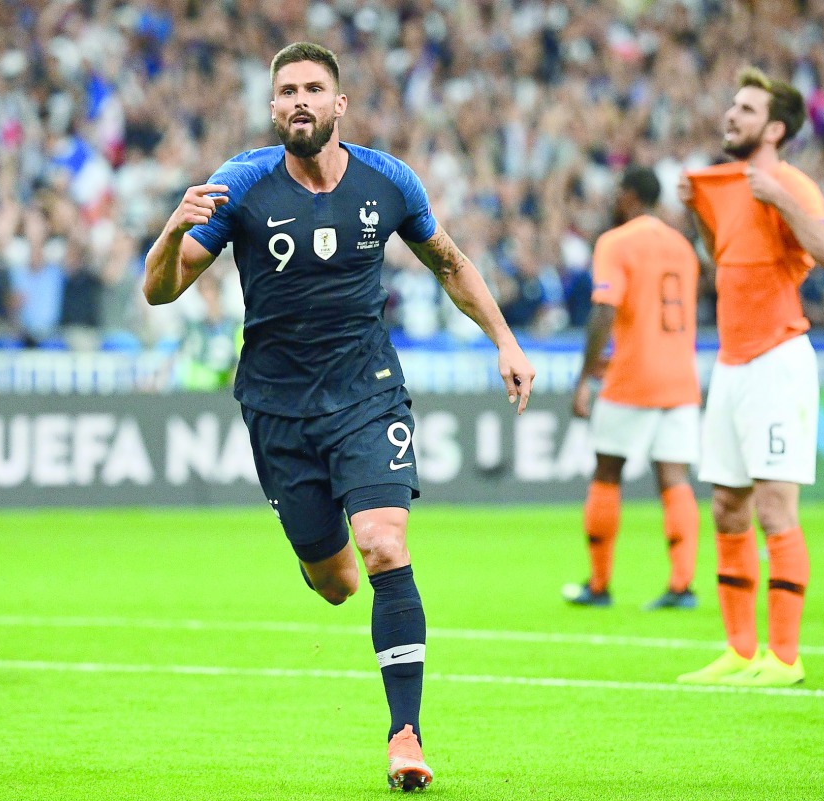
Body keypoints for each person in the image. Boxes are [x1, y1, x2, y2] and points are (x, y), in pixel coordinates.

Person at [143, 42, 535, 793]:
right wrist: (170, 230)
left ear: (338, 104)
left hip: (366, 392)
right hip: (277, 407)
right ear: (271, 107)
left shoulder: (388, 181)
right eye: (286, 89)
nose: (299, 99)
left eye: (313, 88)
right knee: (336, 581)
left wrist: (506, 340)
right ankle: (320, 551)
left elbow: (450, 262)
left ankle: (405, 733)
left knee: (384, 545)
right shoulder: (240, 184)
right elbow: (162, 291)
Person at [676, 67, 824, 687]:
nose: (731, 115)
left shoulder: (792, 182)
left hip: (778, 359)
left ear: (775, 128)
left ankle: (786, 657)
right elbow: (724, 268)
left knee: (776, 508)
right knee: (727, 506)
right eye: (732, 104)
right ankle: (741, 650)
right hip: (731, 362)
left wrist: (780, 198)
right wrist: (697, 212)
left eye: (746, 109)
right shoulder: (727, 185)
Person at [562, 166, 702, 611]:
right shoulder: (682, 246)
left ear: (627, 196)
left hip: (633, 376)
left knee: (607, 473)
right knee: (674, 478)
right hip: (681, 376)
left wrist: (585, 378)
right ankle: (682, 586)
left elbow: (605, 311)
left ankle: (599, 585)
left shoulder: (616, 242)